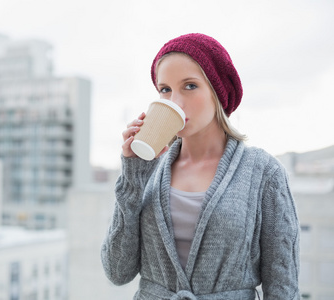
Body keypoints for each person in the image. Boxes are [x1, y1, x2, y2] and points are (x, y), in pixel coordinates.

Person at [101, 33, 300, 300]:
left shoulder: (264, 172)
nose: (175, 102)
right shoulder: (146, 170)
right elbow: (117, 272)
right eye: (165, 89)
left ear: (218, 92)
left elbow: (283, 289)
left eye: (190, 86)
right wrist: (133, 173)